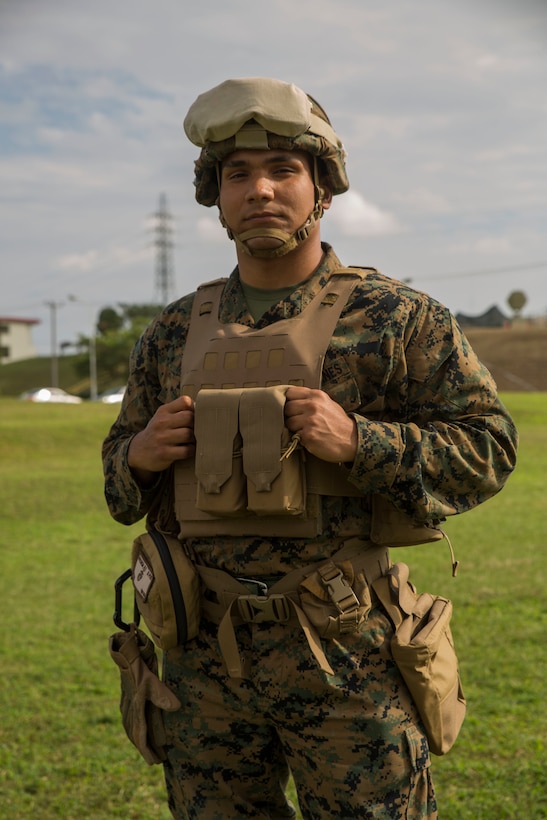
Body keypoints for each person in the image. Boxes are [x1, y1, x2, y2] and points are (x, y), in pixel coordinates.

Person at [102, 77, 518, 819]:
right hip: (200, 659)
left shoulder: (396, 317)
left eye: (283, 170)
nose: (259, 190)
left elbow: (487, 447)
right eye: (238, 174)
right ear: (216, 196)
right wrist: (138, 455)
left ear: (321, 190)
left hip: (345, 654)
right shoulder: (171, 332)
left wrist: (361, 441)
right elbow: (116, 483)